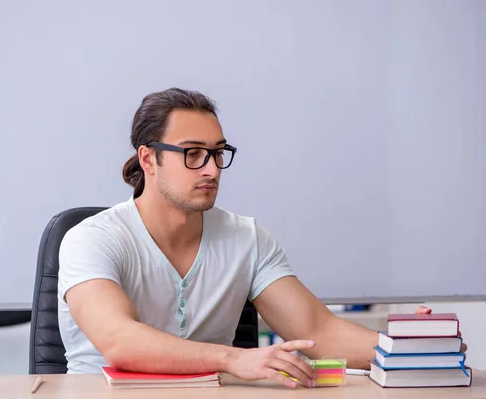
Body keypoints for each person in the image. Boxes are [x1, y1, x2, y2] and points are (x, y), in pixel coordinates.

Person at [57, 88, 465, 388]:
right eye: (193, 153)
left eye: (218, 153)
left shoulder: (246, 238)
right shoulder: (90, 240)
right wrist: (236, 359)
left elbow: (319, 332)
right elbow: (120, 341)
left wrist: (416, 347)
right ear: (149, 158)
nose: (212, 169)